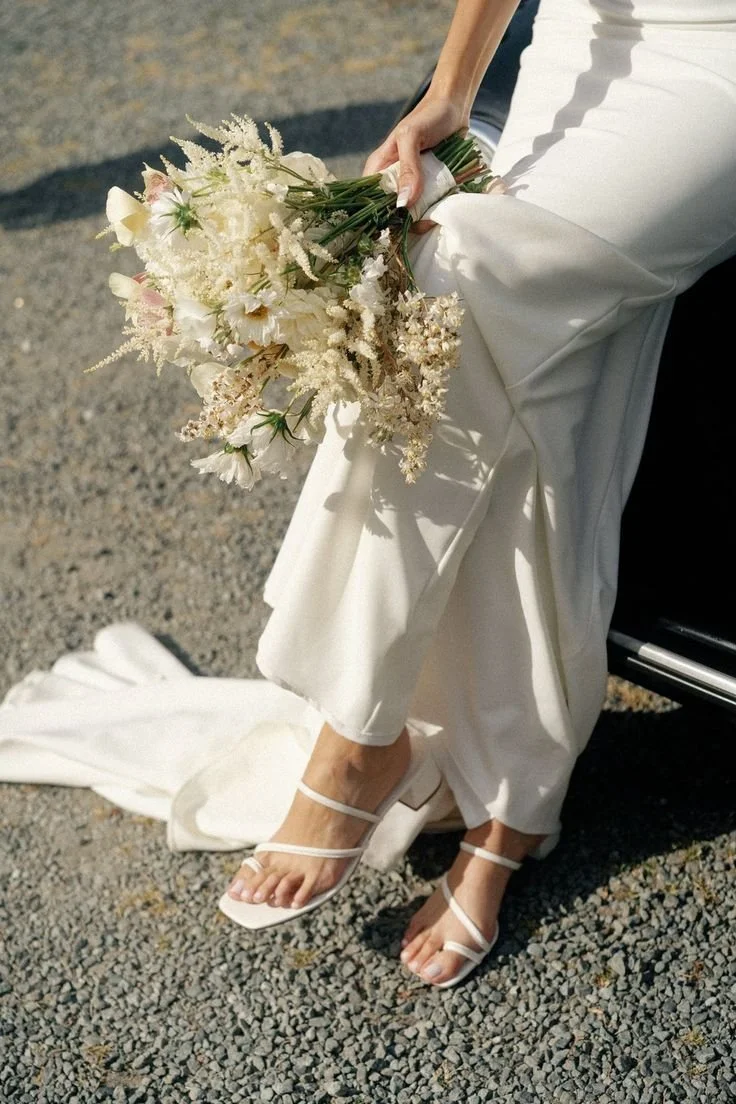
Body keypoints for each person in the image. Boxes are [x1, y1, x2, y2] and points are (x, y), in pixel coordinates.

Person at [222, 0, 736, 987]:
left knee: (449, 276)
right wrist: (451, 90)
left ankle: (356, 738)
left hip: (719, 67)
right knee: (552, 415)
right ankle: (511, 811)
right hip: (583, 41)